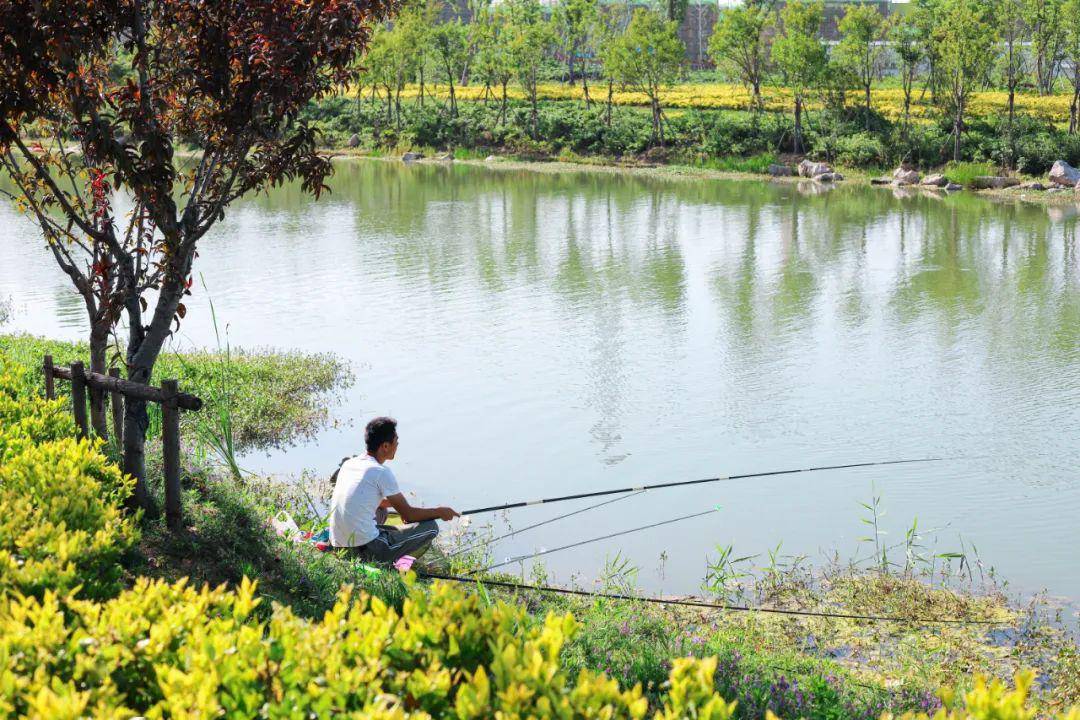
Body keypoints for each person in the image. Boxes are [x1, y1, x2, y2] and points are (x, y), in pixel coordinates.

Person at [329, 416, 459, 563]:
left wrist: (395, 504)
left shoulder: (350, 464)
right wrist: (440, 512)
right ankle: (396, 562)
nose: (397, 445)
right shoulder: (381, 471)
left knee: (381, 510)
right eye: (396, 442)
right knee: (431, 527)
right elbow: (409, 516)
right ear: (385, 446)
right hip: (368, 550)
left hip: (338, 546)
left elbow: (364, 497)